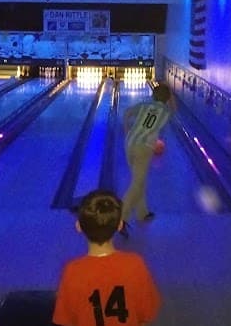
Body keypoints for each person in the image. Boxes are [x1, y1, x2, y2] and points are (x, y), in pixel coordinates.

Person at [53, 189, 161, 326]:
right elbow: (146, 314)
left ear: (78, 227)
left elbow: (66, 320)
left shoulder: (72, 271)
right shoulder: (135, 264)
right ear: (120, 225)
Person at [120, 82, 175, 237]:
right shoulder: (166, 111)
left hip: (129, 143)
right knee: (138, 183)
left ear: (153, 95)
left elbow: (127, 113)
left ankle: (142, 213)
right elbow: (174, 109)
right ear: (167, 98)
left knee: (139, 180)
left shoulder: (145, 105)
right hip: (144, 147)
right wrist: (171, 98)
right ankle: (121, 218)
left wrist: (127, 129)